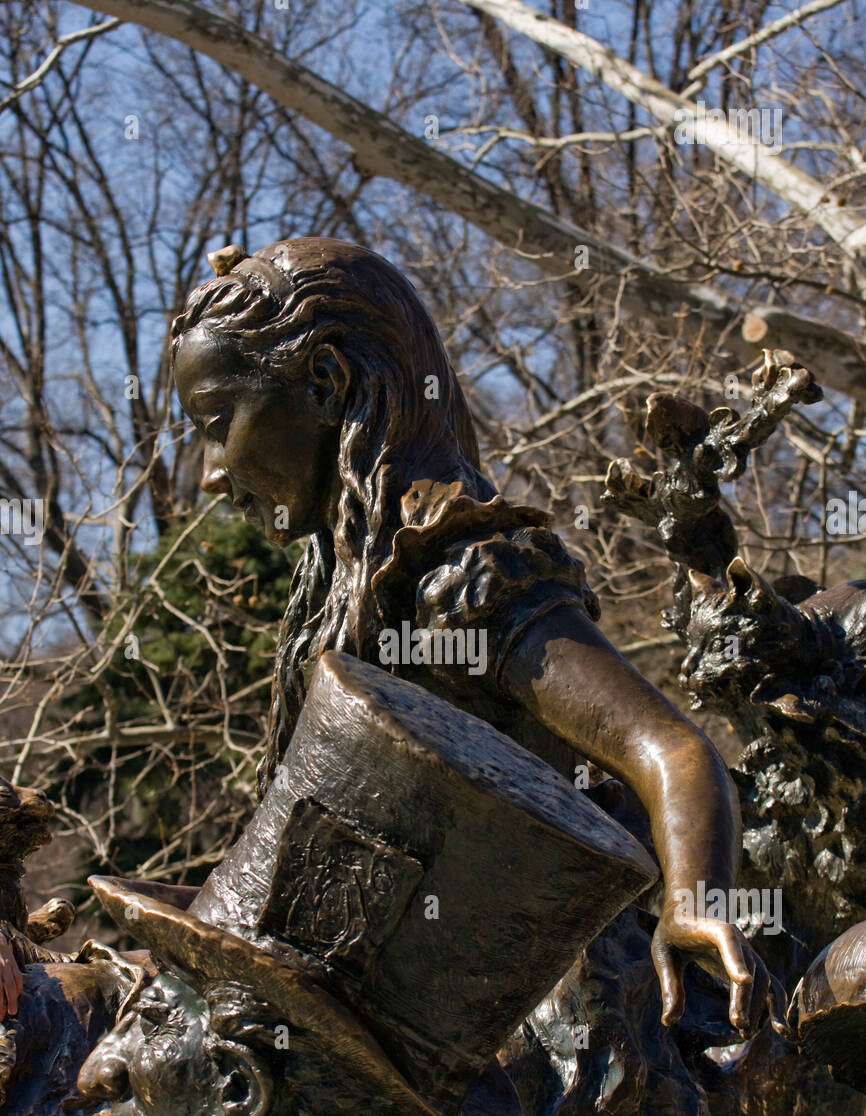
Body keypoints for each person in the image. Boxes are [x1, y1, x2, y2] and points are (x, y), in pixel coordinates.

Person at [172, 236, 781, 1036]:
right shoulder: (330, 584)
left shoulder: (468, 573)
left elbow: (670, 747)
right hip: (360, 995)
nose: (210, 471)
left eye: (219, 422)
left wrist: (695, 903)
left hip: (508, 1018)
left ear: (326, 383)